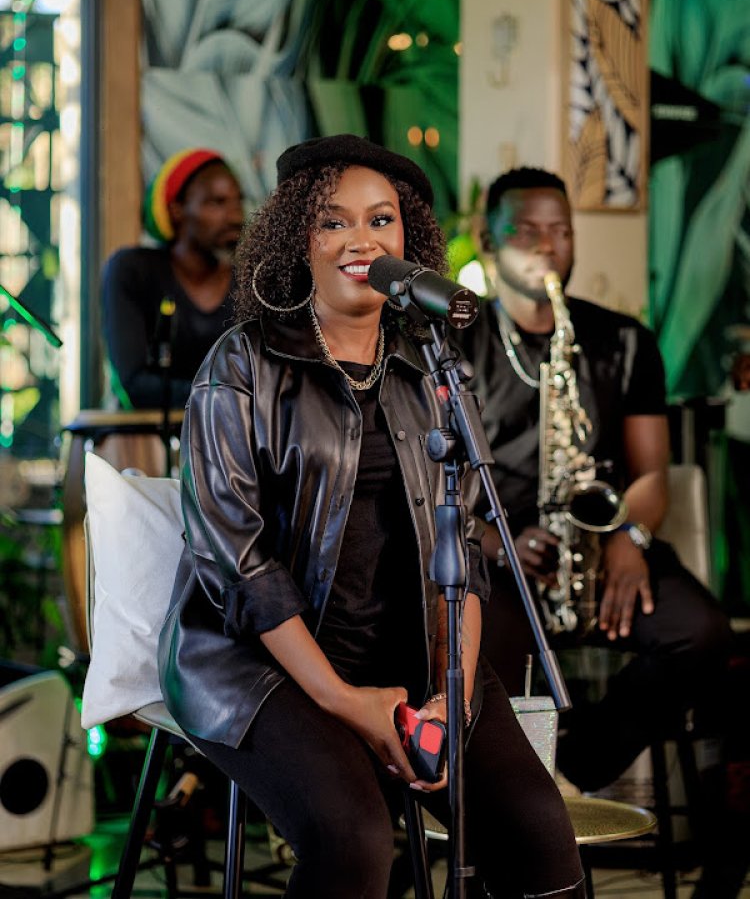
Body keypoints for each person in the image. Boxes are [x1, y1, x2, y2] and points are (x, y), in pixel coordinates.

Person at [157, 136, 586, 899]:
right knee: (354, 842)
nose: (362, 240)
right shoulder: (240, 365)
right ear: (299, 242)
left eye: (381, 220)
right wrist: (346, 702)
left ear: (407, 242)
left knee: (539, 834)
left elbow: (468, 554)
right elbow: (241, 568)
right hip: (265, 668)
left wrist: (451, 696)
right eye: (334, 222)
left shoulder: (435, 367)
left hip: (415, 658)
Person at [454, 166, 734, 796]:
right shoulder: (454, 344)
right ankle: (511, 806)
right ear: (488, 239)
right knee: (475, 661)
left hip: (601, 547)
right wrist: (497, 544)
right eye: (526, 231)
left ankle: (574, 775)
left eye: (561, 230)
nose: (547, 246)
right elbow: (428, 482)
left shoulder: (625, 341)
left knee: (702, 634)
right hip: (498, 560)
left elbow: (651, 473)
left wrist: (628, 537)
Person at [101, 148, 244, 410]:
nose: (236, 216)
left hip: (233, 433)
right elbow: (134, 385)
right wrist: (228, 398)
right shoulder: (134, 270)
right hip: (148, 435)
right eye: (217, 202)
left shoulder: (249, 281)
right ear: (177, 210)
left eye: (238, 202)